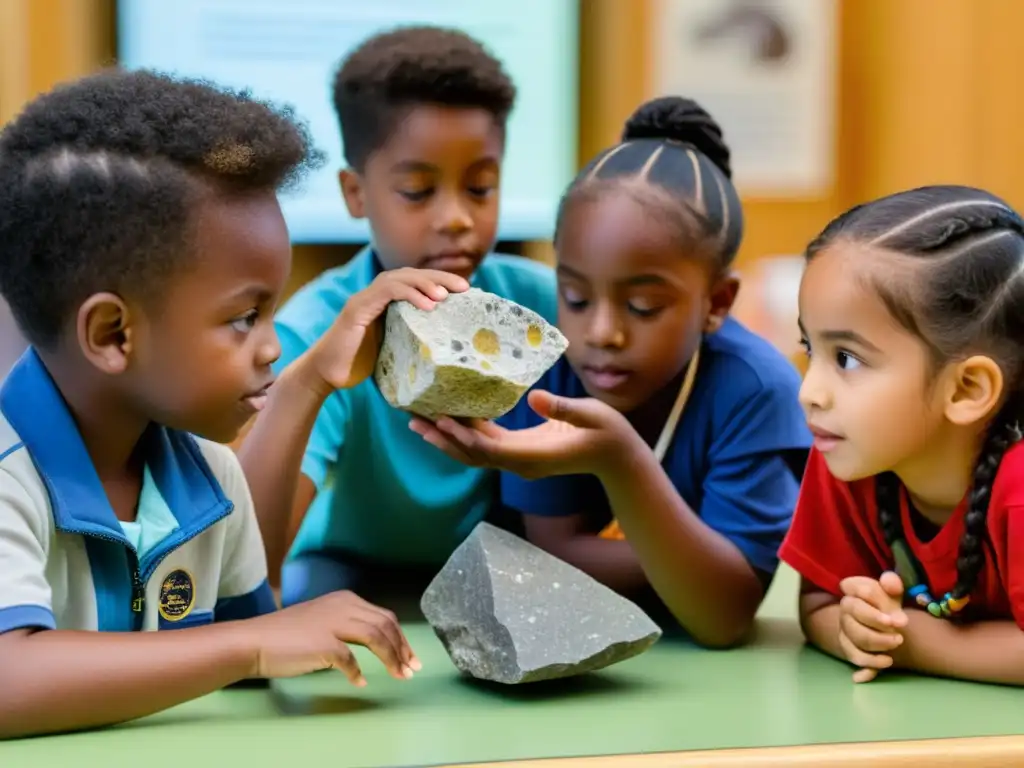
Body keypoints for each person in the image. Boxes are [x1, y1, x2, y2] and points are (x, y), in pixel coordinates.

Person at [0, 69, 439, 740]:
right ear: (113, 334)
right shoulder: (9, 476)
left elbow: (251, 651)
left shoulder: (211, 474)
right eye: (246, 317)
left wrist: (276, 640)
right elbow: (10, 679)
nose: (272, 348)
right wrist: (253, 644)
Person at [410, 97, 811, 648]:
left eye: (643, 306)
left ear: (717, 302)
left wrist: (621, 461)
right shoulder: (553, 367)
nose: (600, 332)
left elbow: (723, 615)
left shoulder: (757, 391)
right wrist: (697, 557)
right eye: (574, 296)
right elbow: (552, 554)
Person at [236, 26, 557, 608]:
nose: (456, 218)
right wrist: (306, 384)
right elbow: (246, 562)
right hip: (351, 568)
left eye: (481, 188)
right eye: (417, 190)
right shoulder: (317, 329)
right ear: (355, 193)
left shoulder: (541, 303)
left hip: (499, 562)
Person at [778, 185, 1024, 686]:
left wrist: (909, 642)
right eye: (810, 349)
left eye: (846, 358)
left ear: (967, 389)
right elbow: (818, 603)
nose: (810, 391)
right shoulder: (848, 451)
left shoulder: (1017, 491)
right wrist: (857, 629)